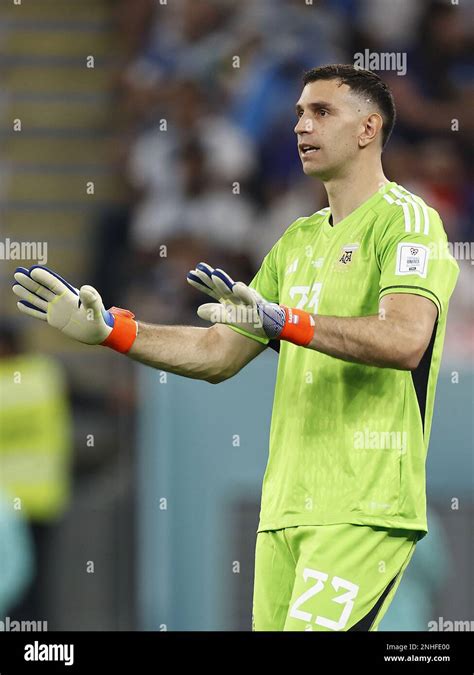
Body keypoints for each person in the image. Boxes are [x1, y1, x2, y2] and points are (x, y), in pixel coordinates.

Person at [12, 64, 459, 631]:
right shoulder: (296, 241)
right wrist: (114, 331)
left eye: (321, 112)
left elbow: (405, 339)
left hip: (363, 511)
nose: (302, 125)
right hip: (284, 513)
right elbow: (220, 352)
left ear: (369, 128)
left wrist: (286, 321)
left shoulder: (407, 222)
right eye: (299, 112)